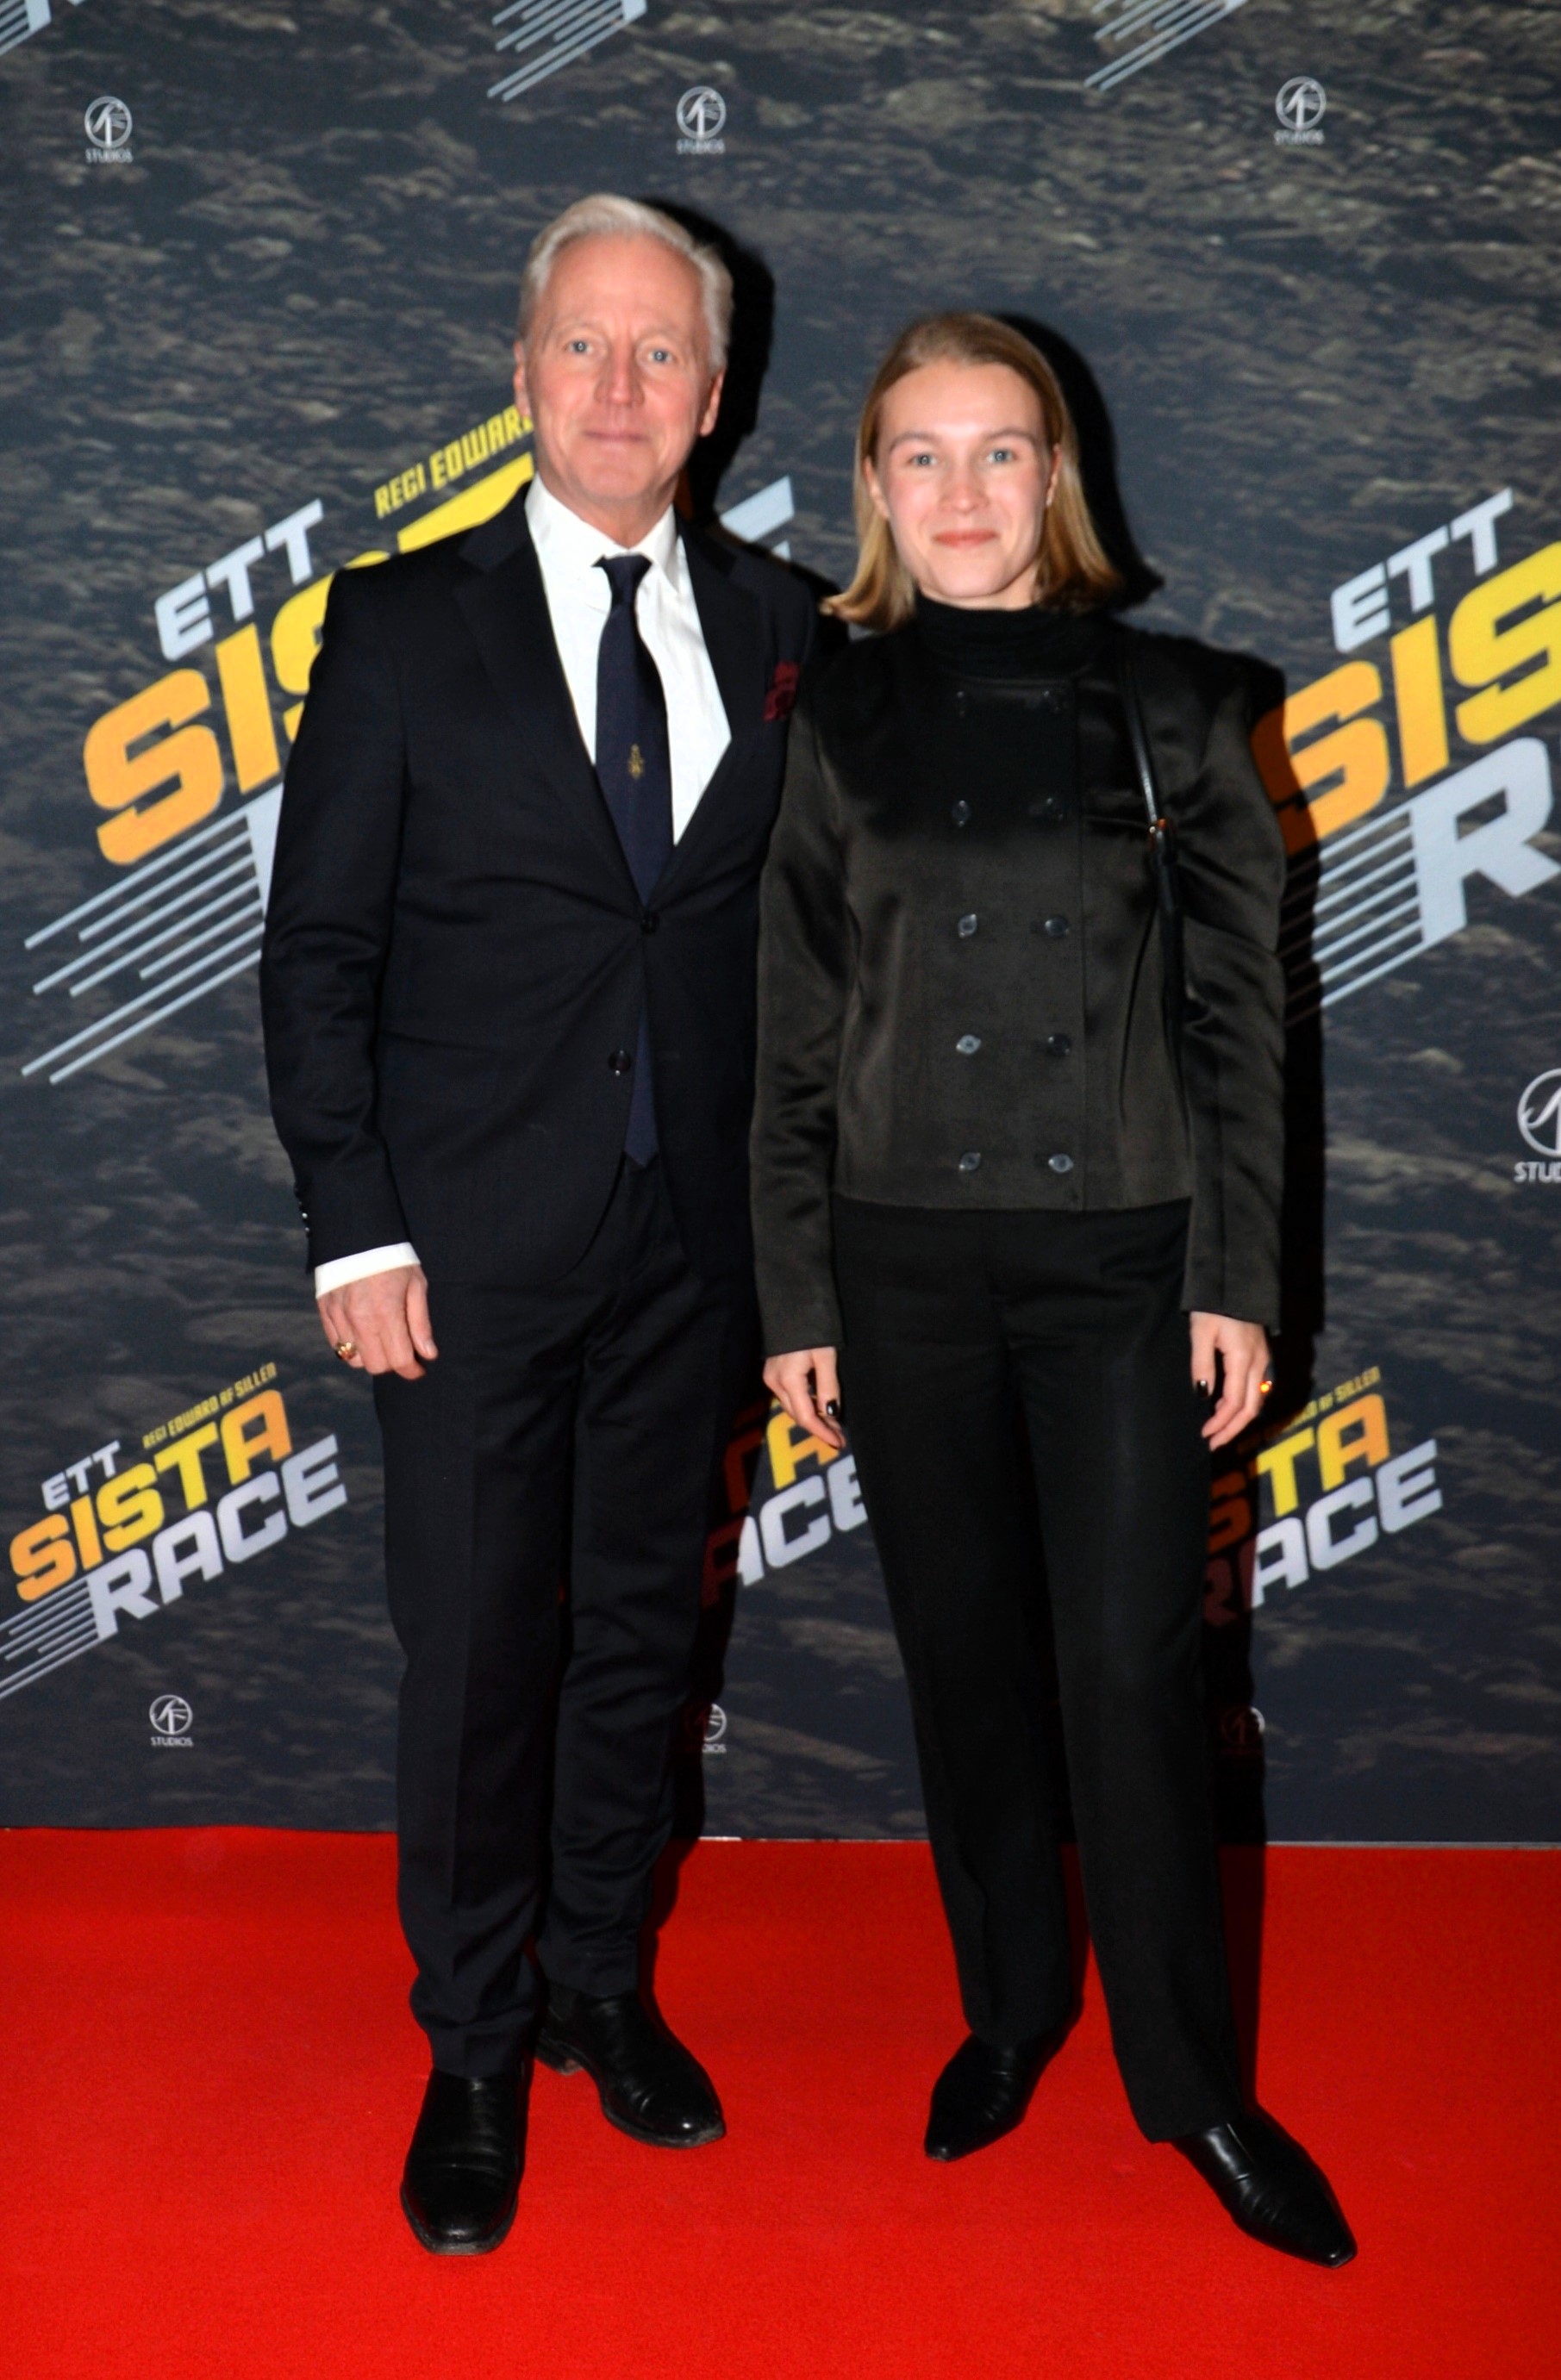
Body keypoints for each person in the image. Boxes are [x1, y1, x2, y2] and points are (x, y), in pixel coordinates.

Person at [752, 312, 1354, 2266]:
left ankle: (1194, 2088)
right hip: (903, 1266)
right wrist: (796, 1292)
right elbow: (793, 1029)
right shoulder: (832, 716)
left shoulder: (1181, 707)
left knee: (1132, 1675)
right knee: (969, 1665)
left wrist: (1235, 1275)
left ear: (1057, 476)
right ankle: (1010, 2007)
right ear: (874, 486)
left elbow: (1243, 1026)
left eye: (997, 451)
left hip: (1121, 1263)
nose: (960, 493)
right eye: (918, 456)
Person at [260, 195, 814, 2255]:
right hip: (464, 1256)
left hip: (692, 1254)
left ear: (715, 396)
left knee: (637, 1643)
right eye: (584, 342)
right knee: (485, 1654)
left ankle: (597, 1980)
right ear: (520, 372)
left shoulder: (785, 630)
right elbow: (317, 952)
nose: (619, 385)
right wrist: (356, 1227)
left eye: (661, 351)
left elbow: (800, 960)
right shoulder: (404, 624)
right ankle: (476, 2042)